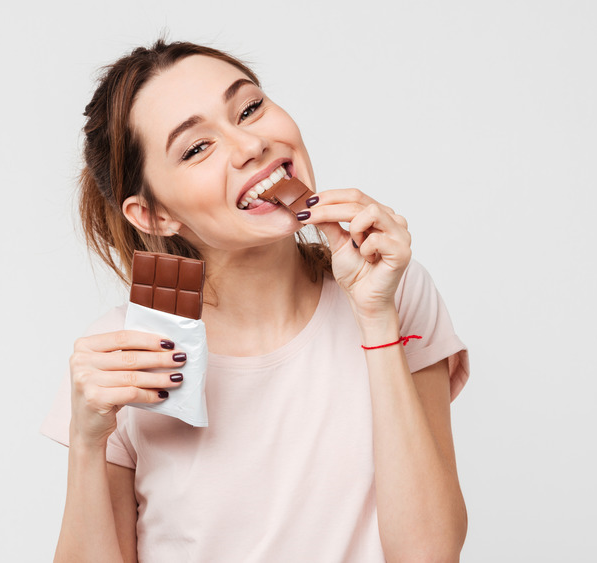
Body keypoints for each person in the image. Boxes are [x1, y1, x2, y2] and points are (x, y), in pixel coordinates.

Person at [40, 39, 471, 562]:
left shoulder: (393, 289)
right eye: (197, 147)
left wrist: (377, 318)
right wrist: (88, 441)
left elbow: (428, 555)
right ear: (154, 217)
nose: (249, 145)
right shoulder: (124, 355)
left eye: (249, 108)